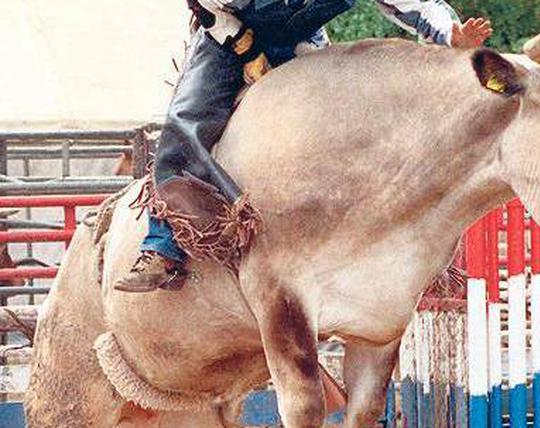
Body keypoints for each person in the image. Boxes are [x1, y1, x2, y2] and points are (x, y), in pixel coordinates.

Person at [115, 0, 492, 293]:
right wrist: (249, 52)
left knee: (359, 121)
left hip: (302, 43)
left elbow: (415, 4)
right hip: (227, 39)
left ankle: (389, 242)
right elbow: (208, 6)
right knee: (187, 119)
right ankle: (164, 247)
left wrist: (450, 34)